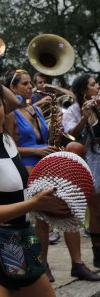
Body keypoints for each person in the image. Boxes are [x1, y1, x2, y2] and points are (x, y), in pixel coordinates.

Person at [0, 77, 71, 296]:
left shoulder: (7, 139)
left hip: (21, 240)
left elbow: (12, 186)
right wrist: (33, 204)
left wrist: (48, 190)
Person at [5, 69, 100, 282]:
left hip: (50, 163)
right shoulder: (11, 113)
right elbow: (9, 146)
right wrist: (36, 151)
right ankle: (43, 264)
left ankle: (77, 264)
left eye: (31, 83)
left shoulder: (36, 110)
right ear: (12, 88)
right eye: (25, 83)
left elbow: (58, 135)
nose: (31, 87)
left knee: (70, 209)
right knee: (42, 220)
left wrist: (57, 128)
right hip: (31, 167)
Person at [62, 74, 100, 269]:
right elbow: (71, 134)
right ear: (84, 91)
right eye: (93, 85)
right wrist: (85, 116)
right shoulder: (72, 111)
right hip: (89, 161)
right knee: (96, 209)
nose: (98, 87)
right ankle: (97, 252)